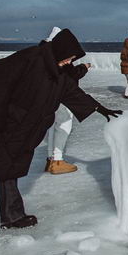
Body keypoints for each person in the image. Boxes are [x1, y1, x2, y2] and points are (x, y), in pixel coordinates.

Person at [0, 29, 122, 243]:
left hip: (14, 128)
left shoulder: (58, 70)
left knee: (9, 166)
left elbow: (71, 92)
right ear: (60, 50)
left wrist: (100, 108)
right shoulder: (27, 60)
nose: (69, 61)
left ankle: (13, 216)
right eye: (69, 57)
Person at [42, 26, 92, 175]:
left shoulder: (44, 54)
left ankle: (51, 159)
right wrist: (84, 67)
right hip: (63, 97)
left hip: (50, 96)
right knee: (64, 125)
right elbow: (72, 75)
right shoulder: (60, 55)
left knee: (52, 126)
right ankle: (57, 160)